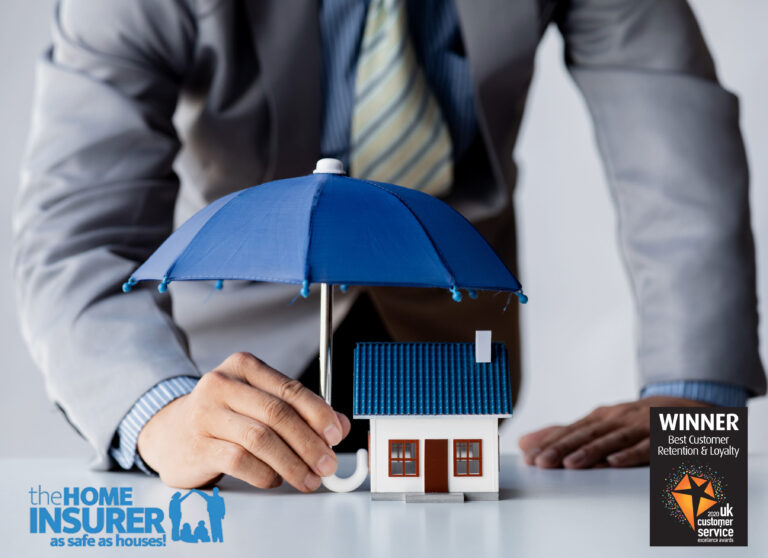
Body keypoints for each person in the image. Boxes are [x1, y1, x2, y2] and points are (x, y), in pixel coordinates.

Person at [13, 0, 765, 492]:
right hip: (229, 373)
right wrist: (158, 410)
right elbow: (79, 228)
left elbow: (677, 156)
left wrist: (692, 399)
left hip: (449, 337)